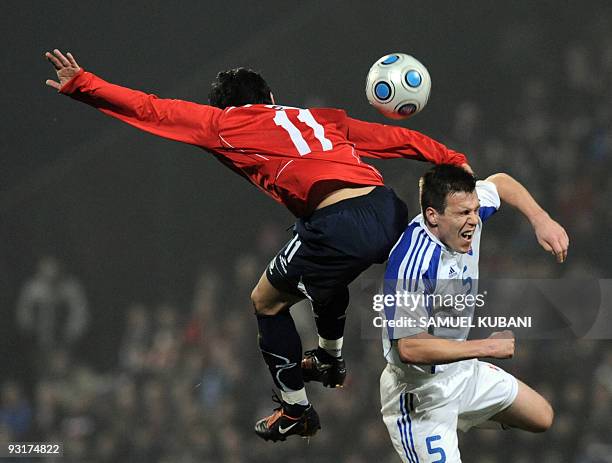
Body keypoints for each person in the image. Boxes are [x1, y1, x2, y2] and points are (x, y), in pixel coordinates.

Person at [44, 49, 470, 441]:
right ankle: (330, 357)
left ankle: (295, 407)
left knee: (266, 301)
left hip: (338, 223)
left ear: (225, 108)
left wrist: (83, 84)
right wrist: (448, 156)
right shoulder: (316, 117)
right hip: (386, 208)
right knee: (323, 267)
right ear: (270, 96)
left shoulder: (223, 123)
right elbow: (384, 137)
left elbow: (152, 108)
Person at [379, 164, 569, 462]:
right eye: (462, 214)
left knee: (542, 416)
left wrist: (540, 219)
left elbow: (501, 182)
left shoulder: (468, 210)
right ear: (433, 216)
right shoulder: (413, 264)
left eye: (475, 210)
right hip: (421, 395)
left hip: (462, 372)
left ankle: (458, 418)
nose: (473, 221)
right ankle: (436, 431)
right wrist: (486, 347)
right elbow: (409, 346)